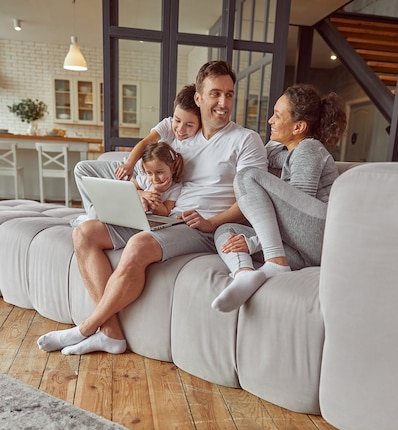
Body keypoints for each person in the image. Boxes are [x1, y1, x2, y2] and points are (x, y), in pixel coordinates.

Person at [37, 60, 267, 355]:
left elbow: (252, 199)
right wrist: (143, 193)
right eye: (215, 94)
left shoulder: (245, 140)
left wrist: (211, 223)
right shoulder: (183, 136)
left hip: (204, 227)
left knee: (138, 245)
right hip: (166, 218)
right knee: (85, 234)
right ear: (198, 98)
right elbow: (151, 166)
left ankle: (85, 328)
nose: (223, 103)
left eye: (230, 94)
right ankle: (111, 334)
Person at [211, 83, 347, 313]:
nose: (270, 121)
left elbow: (297, 211)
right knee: (225, 232)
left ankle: (275, 262)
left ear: (299, 127)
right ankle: (244, 274)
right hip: (304, 250)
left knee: (247, 177)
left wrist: (253, 242)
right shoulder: (289, 152)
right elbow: (269, 154)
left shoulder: (309, 149)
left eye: (277, 115)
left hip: (321, 233)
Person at [74, 83, 201, 219]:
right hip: (136, 169)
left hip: (150, 179)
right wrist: (129, 164)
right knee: (81, 169)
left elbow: (165, 207)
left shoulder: (198, 142)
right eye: (177, 120)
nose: (181, 129)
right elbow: (146, 142)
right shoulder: (168, 124)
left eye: (189, 125)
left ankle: (99, 215)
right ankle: (94, 213)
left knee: (124, 195)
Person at [133, 142, 184, 216]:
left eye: (159, 172)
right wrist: (142, 194)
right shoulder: (146, 179)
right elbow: (126, 189)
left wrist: (156, 191)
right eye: (149, 173)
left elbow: (165, 212)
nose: (154, 178)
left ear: (173, 168)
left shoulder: (175, 188)